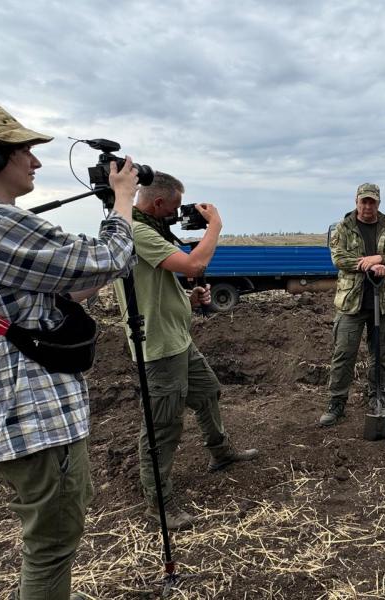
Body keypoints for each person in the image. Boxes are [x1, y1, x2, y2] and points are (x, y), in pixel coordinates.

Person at [0, 96, 138, 600]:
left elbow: (49, 289)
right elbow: (106, 258)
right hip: (30, 413)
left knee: (46, 540)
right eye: (24, 150)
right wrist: (122, 199)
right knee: (52, 545)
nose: (36, 161)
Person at [113, 171, 258, 530]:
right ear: (158, 203)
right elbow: (194, 264)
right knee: (162, 426)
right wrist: (215, 226)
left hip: (178, 339)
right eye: (175, 206)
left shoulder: (153, 228)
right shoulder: (137, 229)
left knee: (208, 392)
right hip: (159, 348)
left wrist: (188, 297)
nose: (179, 213)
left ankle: (221, 453)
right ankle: (159, 503)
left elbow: (161, 280)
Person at [320, 182, 385, 426]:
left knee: (380, 355)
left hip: (384, 303)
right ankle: (337, 403)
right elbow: (338, 257)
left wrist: (382, 258)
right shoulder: (344, 227)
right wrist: (371, 265)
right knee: (344, 353)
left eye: (372, 201)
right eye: (364, 201)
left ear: (378, 203)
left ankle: (377, 398)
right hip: (352, 303)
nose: (368, 206)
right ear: (356, 201)